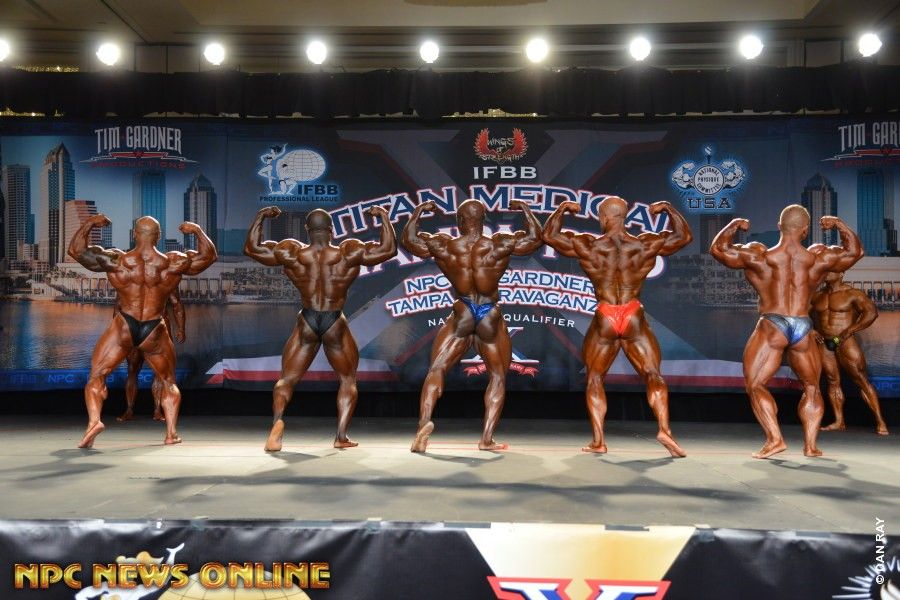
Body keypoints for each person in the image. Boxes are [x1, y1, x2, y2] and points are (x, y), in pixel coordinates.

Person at [709, 205, 862, 458]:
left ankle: (775, 439)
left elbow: (718, 250)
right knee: (812, 387)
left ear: (779, 226)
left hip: (773, 323)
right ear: (805, 230)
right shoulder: (818, 259)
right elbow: (855, 252)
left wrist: (734, 225)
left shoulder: (760, 256)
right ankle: (810, 446)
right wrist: (839, 224)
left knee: (756, 384)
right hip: (802, 324)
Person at [543, 197, 692, 457]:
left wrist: (562, 209)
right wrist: (668, 208)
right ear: (624, 217)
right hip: (633, 312)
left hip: (606, 313)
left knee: (595, 378)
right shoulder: (644, 244)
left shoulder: (589, 245)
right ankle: (665, 430)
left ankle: (599, 441)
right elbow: (684, 237)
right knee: (653, 375)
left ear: (605, 217)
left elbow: (549, 236)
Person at [244, 205, 397, 451]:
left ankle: (277, 424)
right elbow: (388, 249)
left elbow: (252, 249)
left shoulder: (292, 252)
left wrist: (261, 216)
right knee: (347, 379)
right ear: (331, 229)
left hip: (307, 318)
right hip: (334, 319)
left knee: (287, 379)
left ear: (307, 229)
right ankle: (341, 436)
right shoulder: (347, 252)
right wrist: (384, 217)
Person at [401, 199, 542, 453]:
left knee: (437, 368)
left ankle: (423, 424)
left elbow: (410, 241)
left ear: (459, 220)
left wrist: (418, 212)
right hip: (489, 313)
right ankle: (486, 439)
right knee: (497, 376)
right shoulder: (499, 244)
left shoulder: (445, 245)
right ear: (484, 219)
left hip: (463, 310)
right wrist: (524, 209)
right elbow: (535, 239)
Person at [67, 215, 217, 448]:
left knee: (97, 376)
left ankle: (94, 422)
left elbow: (76, 251)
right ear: (158, 236)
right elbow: (209, 256)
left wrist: (90, 223)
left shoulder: (117, 259)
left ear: (134, 234)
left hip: (124, 324)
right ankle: (171, 433)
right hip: (154, 327)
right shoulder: (172, 262)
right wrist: (197, 230)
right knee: (168, 381)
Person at [811, 270, 889, 435]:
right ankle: (839, 421)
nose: (826, 273)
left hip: (845, 341)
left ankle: (880, 421)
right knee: (832, 381)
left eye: (831, 271)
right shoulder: (817, 296)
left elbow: (871, 313)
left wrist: (850, 330)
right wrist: (812, 330)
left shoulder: (852, 294)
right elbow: (805, 316)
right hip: (824, 343)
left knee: (861, 380)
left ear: (841, 273)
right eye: (825, 271)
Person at [117, 289, 185, 422]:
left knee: (158, 372)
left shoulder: (163, 279)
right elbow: (119, 304)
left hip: (153, 329)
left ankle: (156, 410)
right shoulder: (137, 280)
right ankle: (131, 410)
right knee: (133, 369)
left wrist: (181, 328)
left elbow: (176, 303)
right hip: (140, 328)